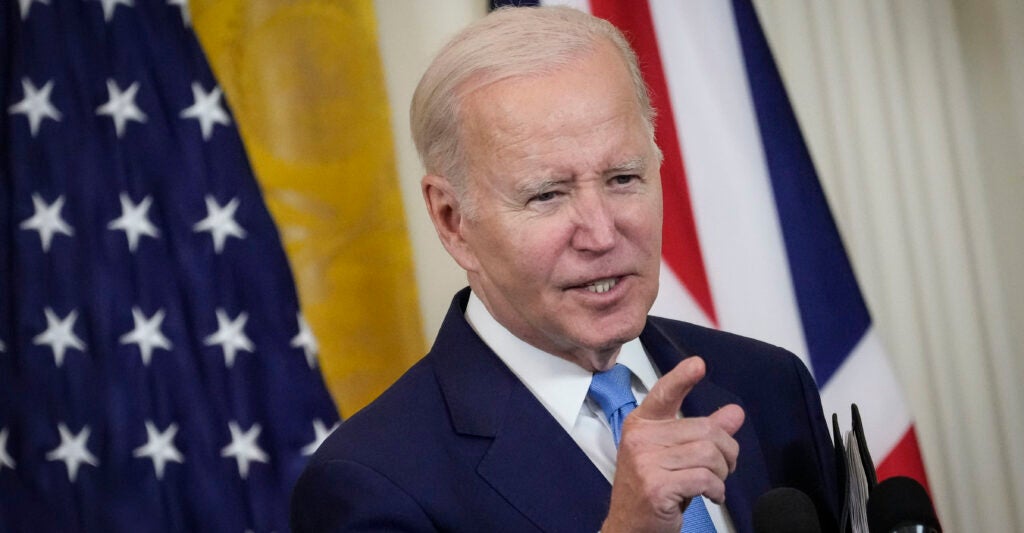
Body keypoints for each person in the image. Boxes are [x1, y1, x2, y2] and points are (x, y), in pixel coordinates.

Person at [291, 6, 839, 533]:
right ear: (452, 220)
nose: (602, 235)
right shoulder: (371, 481)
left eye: (623, 178)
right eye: (547, 195)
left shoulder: (769, 384)